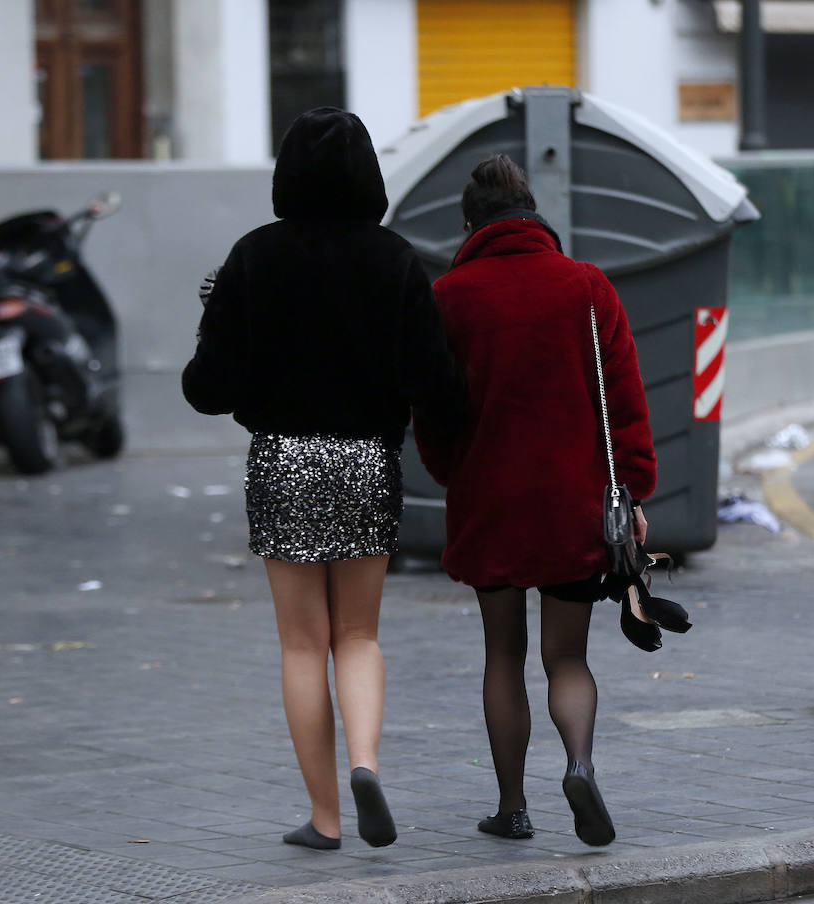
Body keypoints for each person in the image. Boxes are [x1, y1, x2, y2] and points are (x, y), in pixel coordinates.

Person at [181, 107, 463, 850]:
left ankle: (326, 816)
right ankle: (366, 763)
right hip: (366, 459)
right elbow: (437, 384)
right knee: (359, 635)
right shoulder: (396, 259)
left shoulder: (253, 257)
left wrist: (216, 321)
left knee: (302, 645)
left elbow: (207, 389)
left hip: (283, 460)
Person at [415, 154, 657, 847]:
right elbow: (624, 401)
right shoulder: (586, 286)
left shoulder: (449, 296)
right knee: (567, 657)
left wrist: (452, 472)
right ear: (534, 214)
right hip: (572, 503)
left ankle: (512, 807)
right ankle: (579, 763)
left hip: (489, 500)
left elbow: (432, 410)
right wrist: (633, 488)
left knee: (503, 654)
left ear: (471, 225)